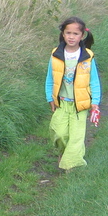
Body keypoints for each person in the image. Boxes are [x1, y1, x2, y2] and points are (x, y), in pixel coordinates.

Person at [45, 16, 101, 170]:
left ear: (82, 36)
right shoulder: (56, 54)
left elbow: (94, 81)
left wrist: (95, 102)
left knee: (76, 138)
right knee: (59, 132)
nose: (71, 36)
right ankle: (64, 154)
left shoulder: (87, 57)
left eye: (75, 34)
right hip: (61, 103)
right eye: (68, 33)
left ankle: (72, 166)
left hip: (80, 105)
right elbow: (50, 78)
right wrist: (50, 97)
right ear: (63, 34)